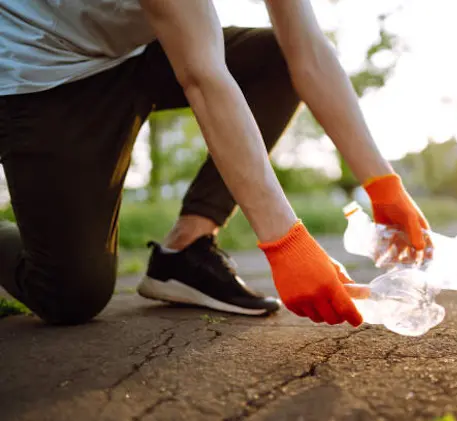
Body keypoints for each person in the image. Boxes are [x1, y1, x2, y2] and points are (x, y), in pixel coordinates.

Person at [0, 0, 432, 327]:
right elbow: (202, 79)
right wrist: (285, 243)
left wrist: (383, 184)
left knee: (276, 60)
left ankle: (185, 251)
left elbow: (308, 52)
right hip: (46, 72)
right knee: (70, 295)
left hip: (135, 48)